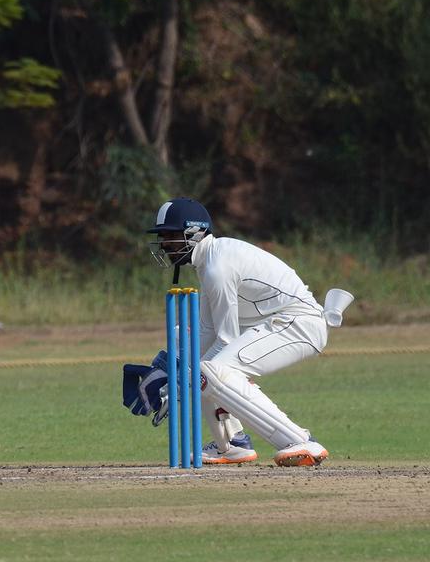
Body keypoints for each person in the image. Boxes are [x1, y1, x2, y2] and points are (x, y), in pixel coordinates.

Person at [123, 197, 351, 467]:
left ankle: (300, 441)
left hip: (298, 324)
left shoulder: (218, 269)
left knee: (211, 371)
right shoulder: (208, 263)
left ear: (194, 233)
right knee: (184, 342)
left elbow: (225, 338)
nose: (165, 245)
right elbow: (206, 330)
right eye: (163, 237)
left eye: (170, 236)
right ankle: (231, 445)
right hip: (273, 321)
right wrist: (168, 368)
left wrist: (181, 384)